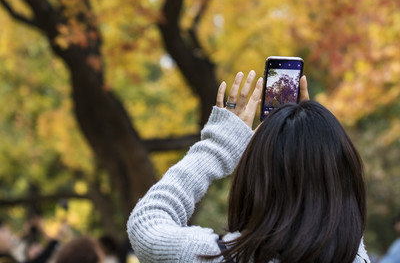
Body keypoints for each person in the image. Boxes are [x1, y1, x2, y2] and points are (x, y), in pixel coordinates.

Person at [127, 71, 370, 263]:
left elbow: (147, 223)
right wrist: (315, 139)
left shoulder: (220, 257)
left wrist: (220, 145)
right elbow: (338, 205)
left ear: (254, 179)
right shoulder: (357, 258)